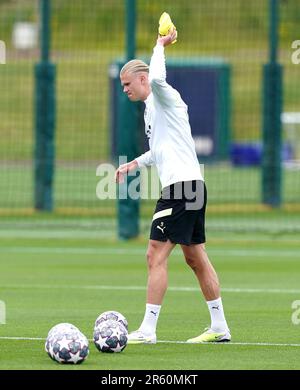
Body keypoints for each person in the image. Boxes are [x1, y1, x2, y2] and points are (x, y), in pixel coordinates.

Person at [115, 28, 230, 344]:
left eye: (127, 84)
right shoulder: (153, 110)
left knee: (154, 254)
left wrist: (159, 45)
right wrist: (134, 164)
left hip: (181, 189)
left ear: (142, 79)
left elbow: (157, 78)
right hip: (192, 187)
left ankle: (148, 331)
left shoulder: (163, 95)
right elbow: (160, 150)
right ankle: (220, 327)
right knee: (195, 257)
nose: (124, 90)